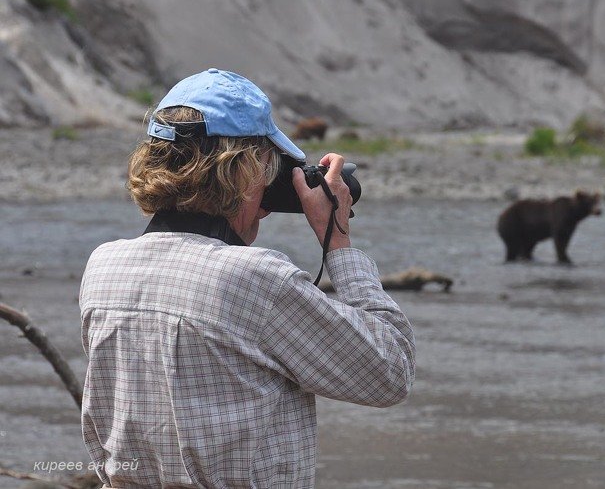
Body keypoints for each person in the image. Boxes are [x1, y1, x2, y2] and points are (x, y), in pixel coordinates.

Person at [79, 68, 415, 488]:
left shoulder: (104, 267)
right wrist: (338, 241)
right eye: (268, 171)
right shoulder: (256, 278)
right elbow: (389, 373)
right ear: (244, 169)